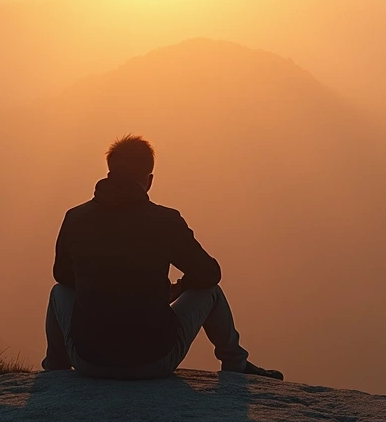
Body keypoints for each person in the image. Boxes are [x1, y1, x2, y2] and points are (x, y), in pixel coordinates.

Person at [43, 134, 282, 380]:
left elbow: (62, 276)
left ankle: (55, 368)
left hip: (87, 361)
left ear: (109, 173)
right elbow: (210, 273)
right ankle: (236, 363)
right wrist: (179, 288)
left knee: (58, 291)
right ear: (149, 180)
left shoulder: (76, 217)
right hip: (154, 362)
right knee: (211, 292)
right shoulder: (165, 221)